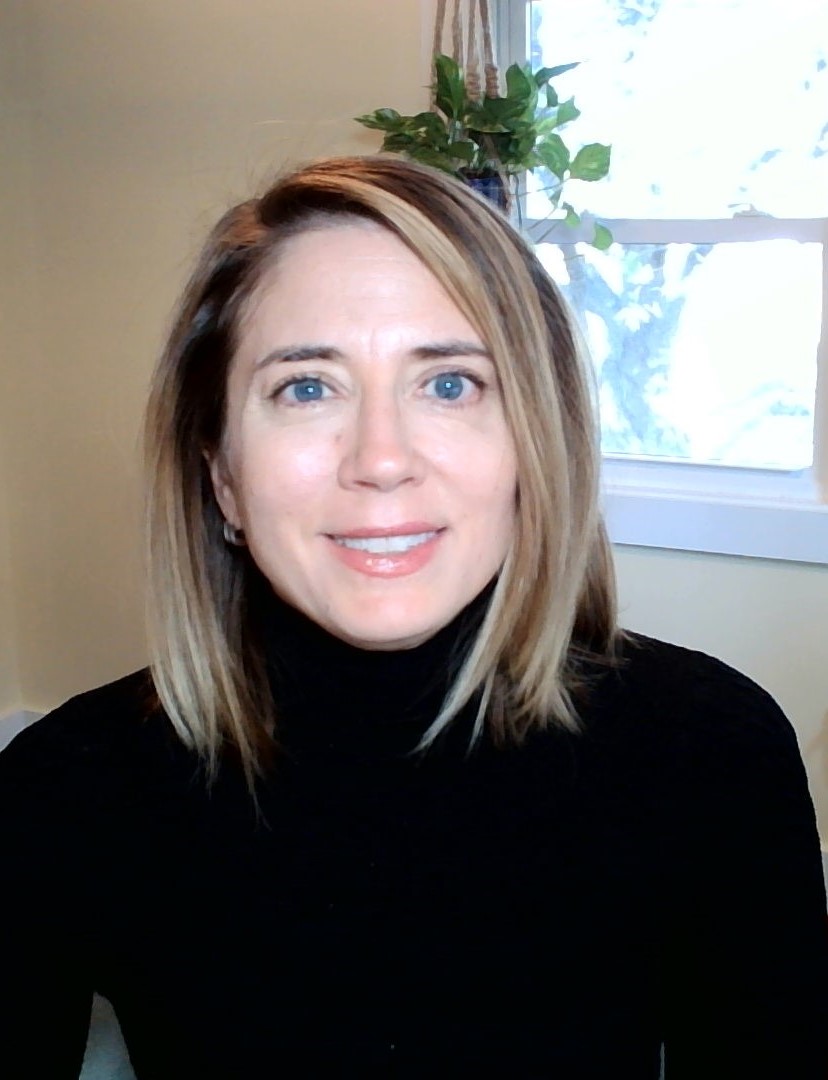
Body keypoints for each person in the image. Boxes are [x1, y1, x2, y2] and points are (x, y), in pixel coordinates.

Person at [1, 156, 826, 1079]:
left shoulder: (709, 752)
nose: (381, 459)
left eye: (450, 384)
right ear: (223, 474)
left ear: (535, 444)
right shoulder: (66, 790)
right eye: (307, 388)